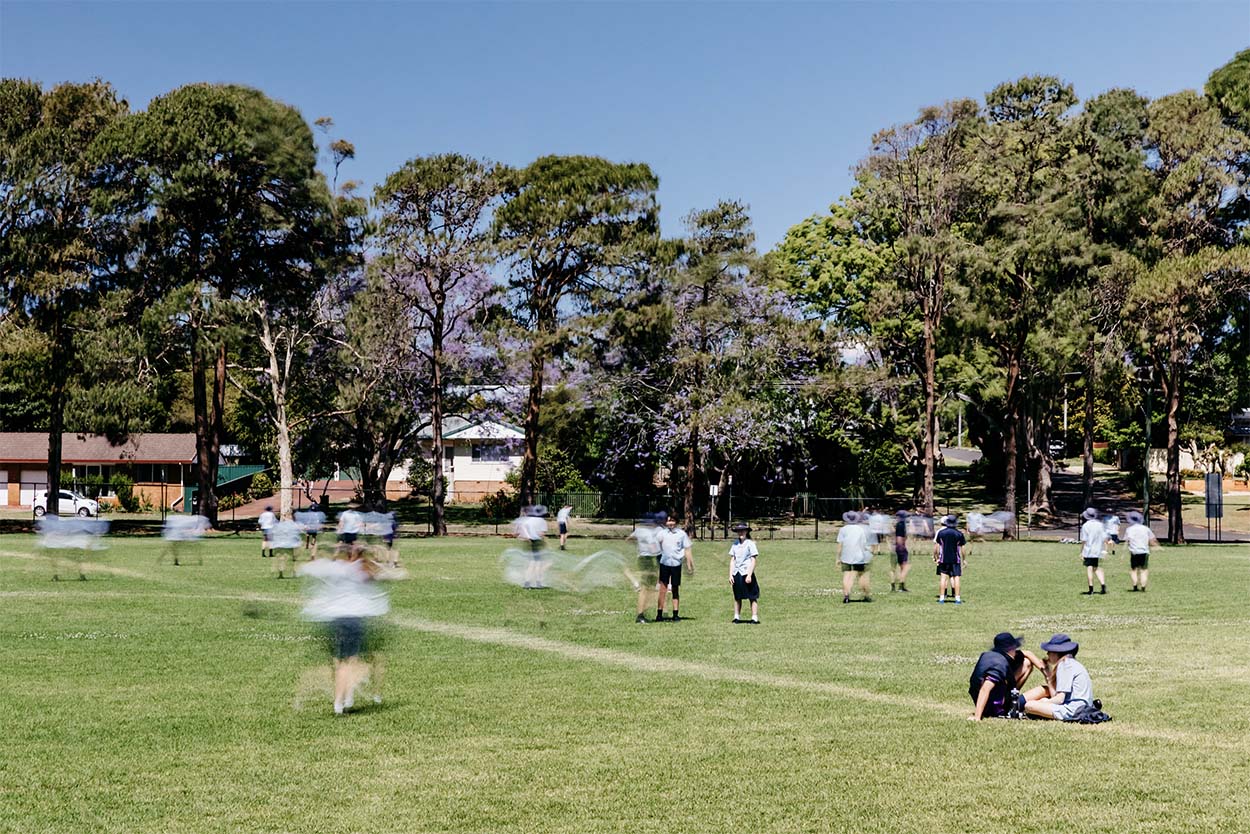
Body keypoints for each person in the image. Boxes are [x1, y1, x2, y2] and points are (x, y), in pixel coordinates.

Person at [296, 545, 392, 715]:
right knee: (350, 662)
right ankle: (342, 700)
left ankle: (345, 697)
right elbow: (384, 573)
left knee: (339, 662)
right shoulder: (357, 569)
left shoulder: (332, 568)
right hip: (352, 620)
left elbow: (305, 568)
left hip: (333, 621)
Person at [968, 632, 1047, 720]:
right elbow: (985, 688)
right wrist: (977, 716)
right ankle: (1012, 705)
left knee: (1026, 663)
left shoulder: (991, 656)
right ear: (1011, 648)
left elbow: (1027, 653)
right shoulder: (999, 665)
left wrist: (1045, 672)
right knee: (1045, 690)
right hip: (997, 708)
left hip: (993, 698)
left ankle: (1013, 696)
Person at [1022, 633, 1096, 721]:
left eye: (1050, 651)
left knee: (1029, 705)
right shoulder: (1070, 663)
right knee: (1039, 702)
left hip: (1073, 710)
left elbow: (1060, 699)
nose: (1047, 654)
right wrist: (1048, 675)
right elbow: (1056, 695)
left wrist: (1044, 702)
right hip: (1082, 708)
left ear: (1057, 653)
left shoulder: (1065, 665)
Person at [657, 513, 694, 621]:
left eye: (672, 521)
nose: (670, 523)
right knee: (662, 589)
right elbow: (655, 546)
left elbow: (687, 549)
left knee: (675, 588)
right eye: (668, 521)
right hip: (665, 563)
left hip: (676, 564)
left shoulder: (681, 534)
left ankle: (675, 614)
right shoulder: (661, 534)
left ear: (676, 522)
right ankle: (659, 613)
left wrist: (689, 565)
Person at [627, 513, 661, 622]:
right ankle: (640, 615)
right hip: (649, 559)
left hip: (642, 558)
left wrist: (639, 546)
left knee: (650, 587)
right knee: (646, 588)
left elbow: (628, 539)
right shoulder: (652, 531)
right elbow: (654, 548)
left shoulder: (639, 530)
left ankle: (643, 612)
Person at [836, 510, 872, 603]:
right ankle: (865, 595)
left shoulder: (843, 529)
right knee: (858, 575)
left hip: (846, 555)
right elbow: (863, 543)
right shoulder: (860, 529)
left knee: (846, 575)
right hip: (858, 556)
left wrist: (838, 557)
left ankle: (846, 596)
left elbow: (840, 545)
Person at [728, 522, 760, 624]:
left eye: (742, 530)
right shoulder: (735, 544)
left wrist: (749, 574)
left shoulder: (750, 544)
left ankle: (754, 617)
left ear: (746, 531)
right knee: (737, 596)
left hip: (746, 572)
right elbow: (733, 560)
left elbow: (753, 560)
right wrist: (730, 575)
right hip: (737, 573)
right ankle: (737, 616)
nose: (741, 532)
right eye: (739, 531)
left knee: (752, 596)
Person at [515, 505, 550, 589]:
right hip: (536, 542)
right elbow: (541, 534)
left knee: (531, 563)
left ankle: (527, 582)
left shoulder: (529, 520)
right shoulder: (542, 521)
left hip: (529, 542)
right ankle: (537, 582)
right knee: (538, 564)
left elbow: (521, 528)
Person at [933, 514, 966, 604]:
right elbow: (962, 548)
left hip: (943, 559)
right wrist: (964, 559)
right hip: (956, 559)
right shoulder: (959, 534)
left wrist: (936, 557)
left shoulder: (941, 533)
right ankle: (957, 598)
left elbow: (937, 546)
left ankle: (941, 598)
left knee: (943, 578)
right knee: (956, 578)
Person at [1124, 510, 1158, 592]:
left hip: (1134, 552)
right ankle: (1143, 586)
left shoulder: (1129, 529)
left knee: (1134, 569)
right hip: (1144, 551)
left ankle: (1135, 585)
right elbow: (1152, 540)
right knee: (1144, 570)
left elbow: (1127, 540)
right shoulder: (1146, 529)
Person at [1079, 506, 1107, 595]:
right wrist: (1105, 549)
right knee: (1096, 568)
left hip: (1088, 550)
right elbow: (1104, 538)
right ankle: (1103, 585)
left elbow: (1084, 540)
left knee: (1089, 569)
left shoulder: (1085, 526)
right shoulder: (1100, 525)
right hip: (1098, 550)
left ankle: (1091, 588)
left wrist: (1081, 551)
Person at [890, 510, 911, 592]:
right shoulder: (901, 525)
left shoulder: (896, 525)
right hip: (900, 548)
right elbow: (899, 538)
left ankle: (893, 586)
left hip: (894, 548)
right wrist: (901, 548)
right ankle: (901, 586)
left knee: (893, 568)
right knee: (905, 567)